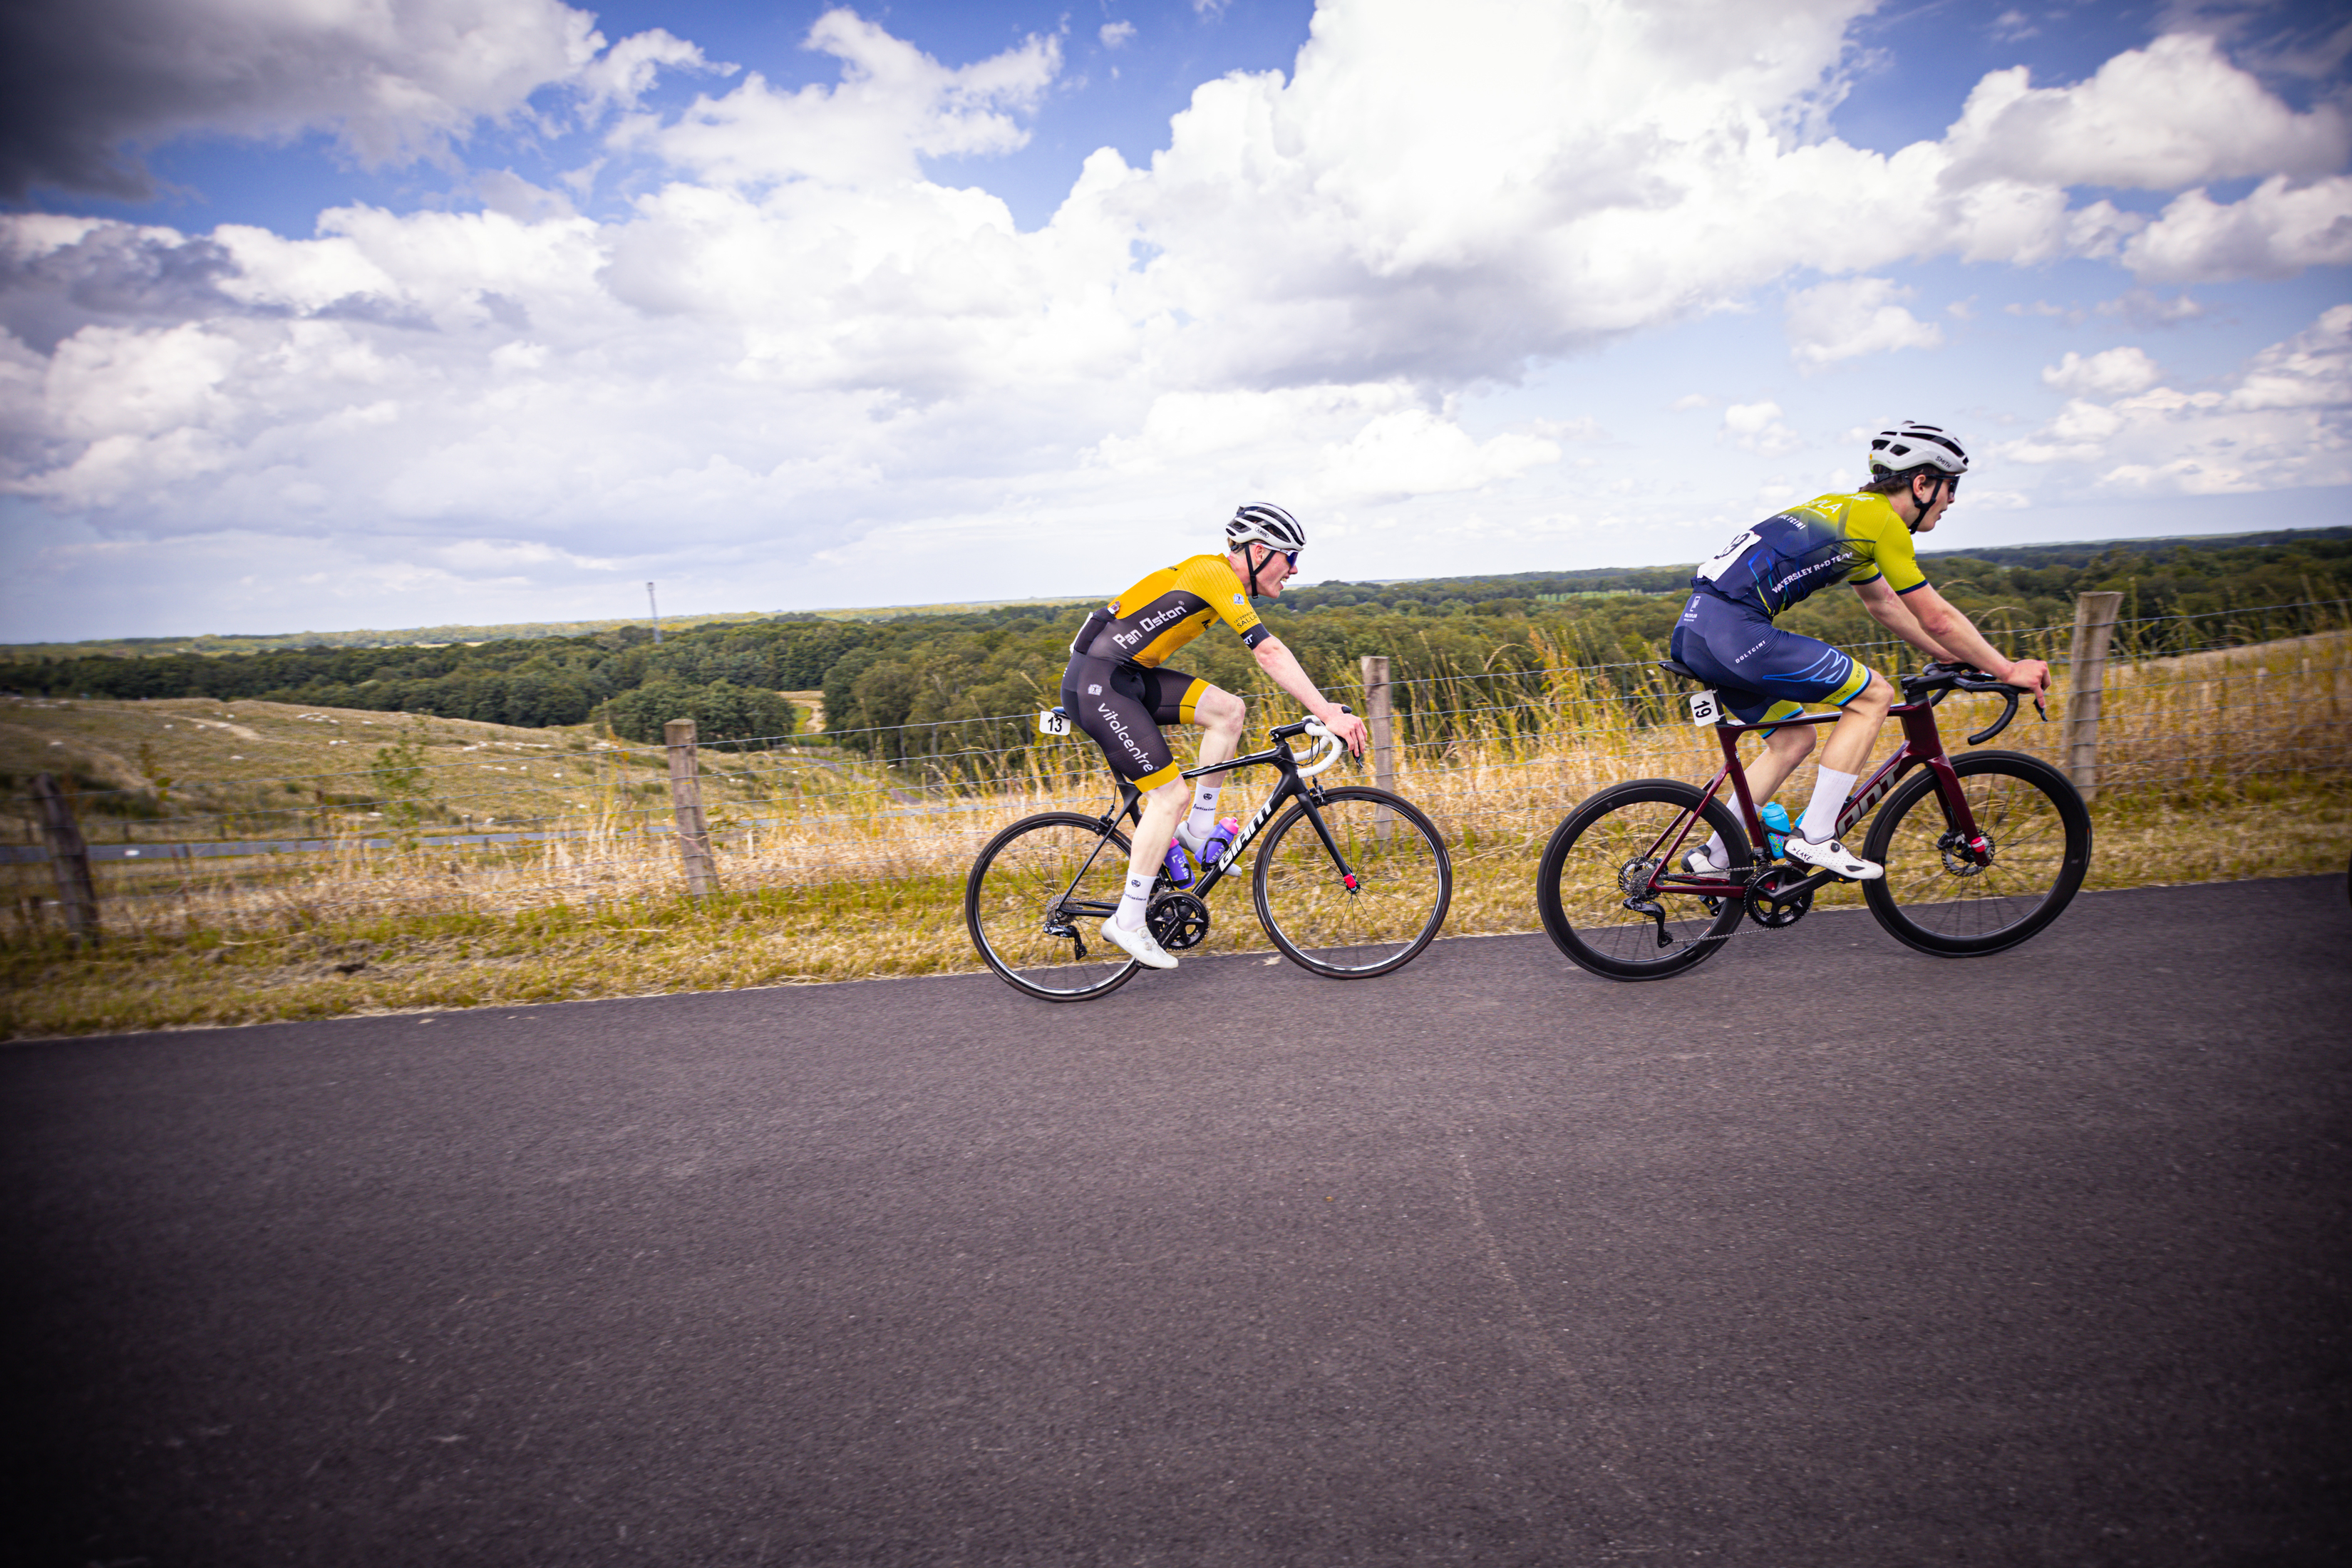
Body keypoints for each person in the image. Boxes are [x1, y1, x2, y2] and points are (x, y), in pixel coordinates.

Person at [1668, 421, 2051, 880]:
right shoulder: (1884, 525)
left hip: (1698, 632)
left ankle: (1715, 857)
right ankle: (1814, 837)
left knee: (1793, 739)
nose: (1952, 501)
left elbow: (1886, 605)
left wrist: (1952, 657)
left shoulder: (1853, 512)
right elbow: (1938, 618)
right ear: (1922, 483)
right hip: (1736, 631)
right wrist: (2007, 668)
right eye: (1951, 488)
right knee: (1873, 696)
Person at [1061, 503, 1369, 969]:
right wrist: (1325, 711)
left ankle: (1200, 830)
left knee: (1229, 711)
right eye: (1291, 556)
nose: (1296, 568)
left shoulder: (1218, 581)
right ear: (1261, 552)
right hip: (1099, 683)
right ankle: (1127, 921)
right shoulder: (1214, 575)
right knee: (1168, 796)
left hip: (1125, 676)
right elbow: (1268, 652)